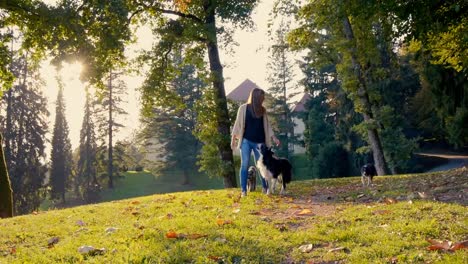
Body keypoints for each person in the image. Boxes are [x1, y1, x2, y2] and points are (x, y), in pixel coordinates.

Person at [231, 88, 280, 197]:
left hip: (260, 143)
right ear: (256, 97)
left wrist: (274, 138)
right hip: (246, 141)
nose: (263, 99)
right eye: (262, 97)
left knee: (263, 165)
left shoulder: (263, 110)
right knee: (244, 164)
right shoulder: (243, 109)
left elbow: (267, 126)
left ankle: (265, 187)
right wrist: (233, 139)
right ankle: (243, 190)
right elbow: (237, 124)